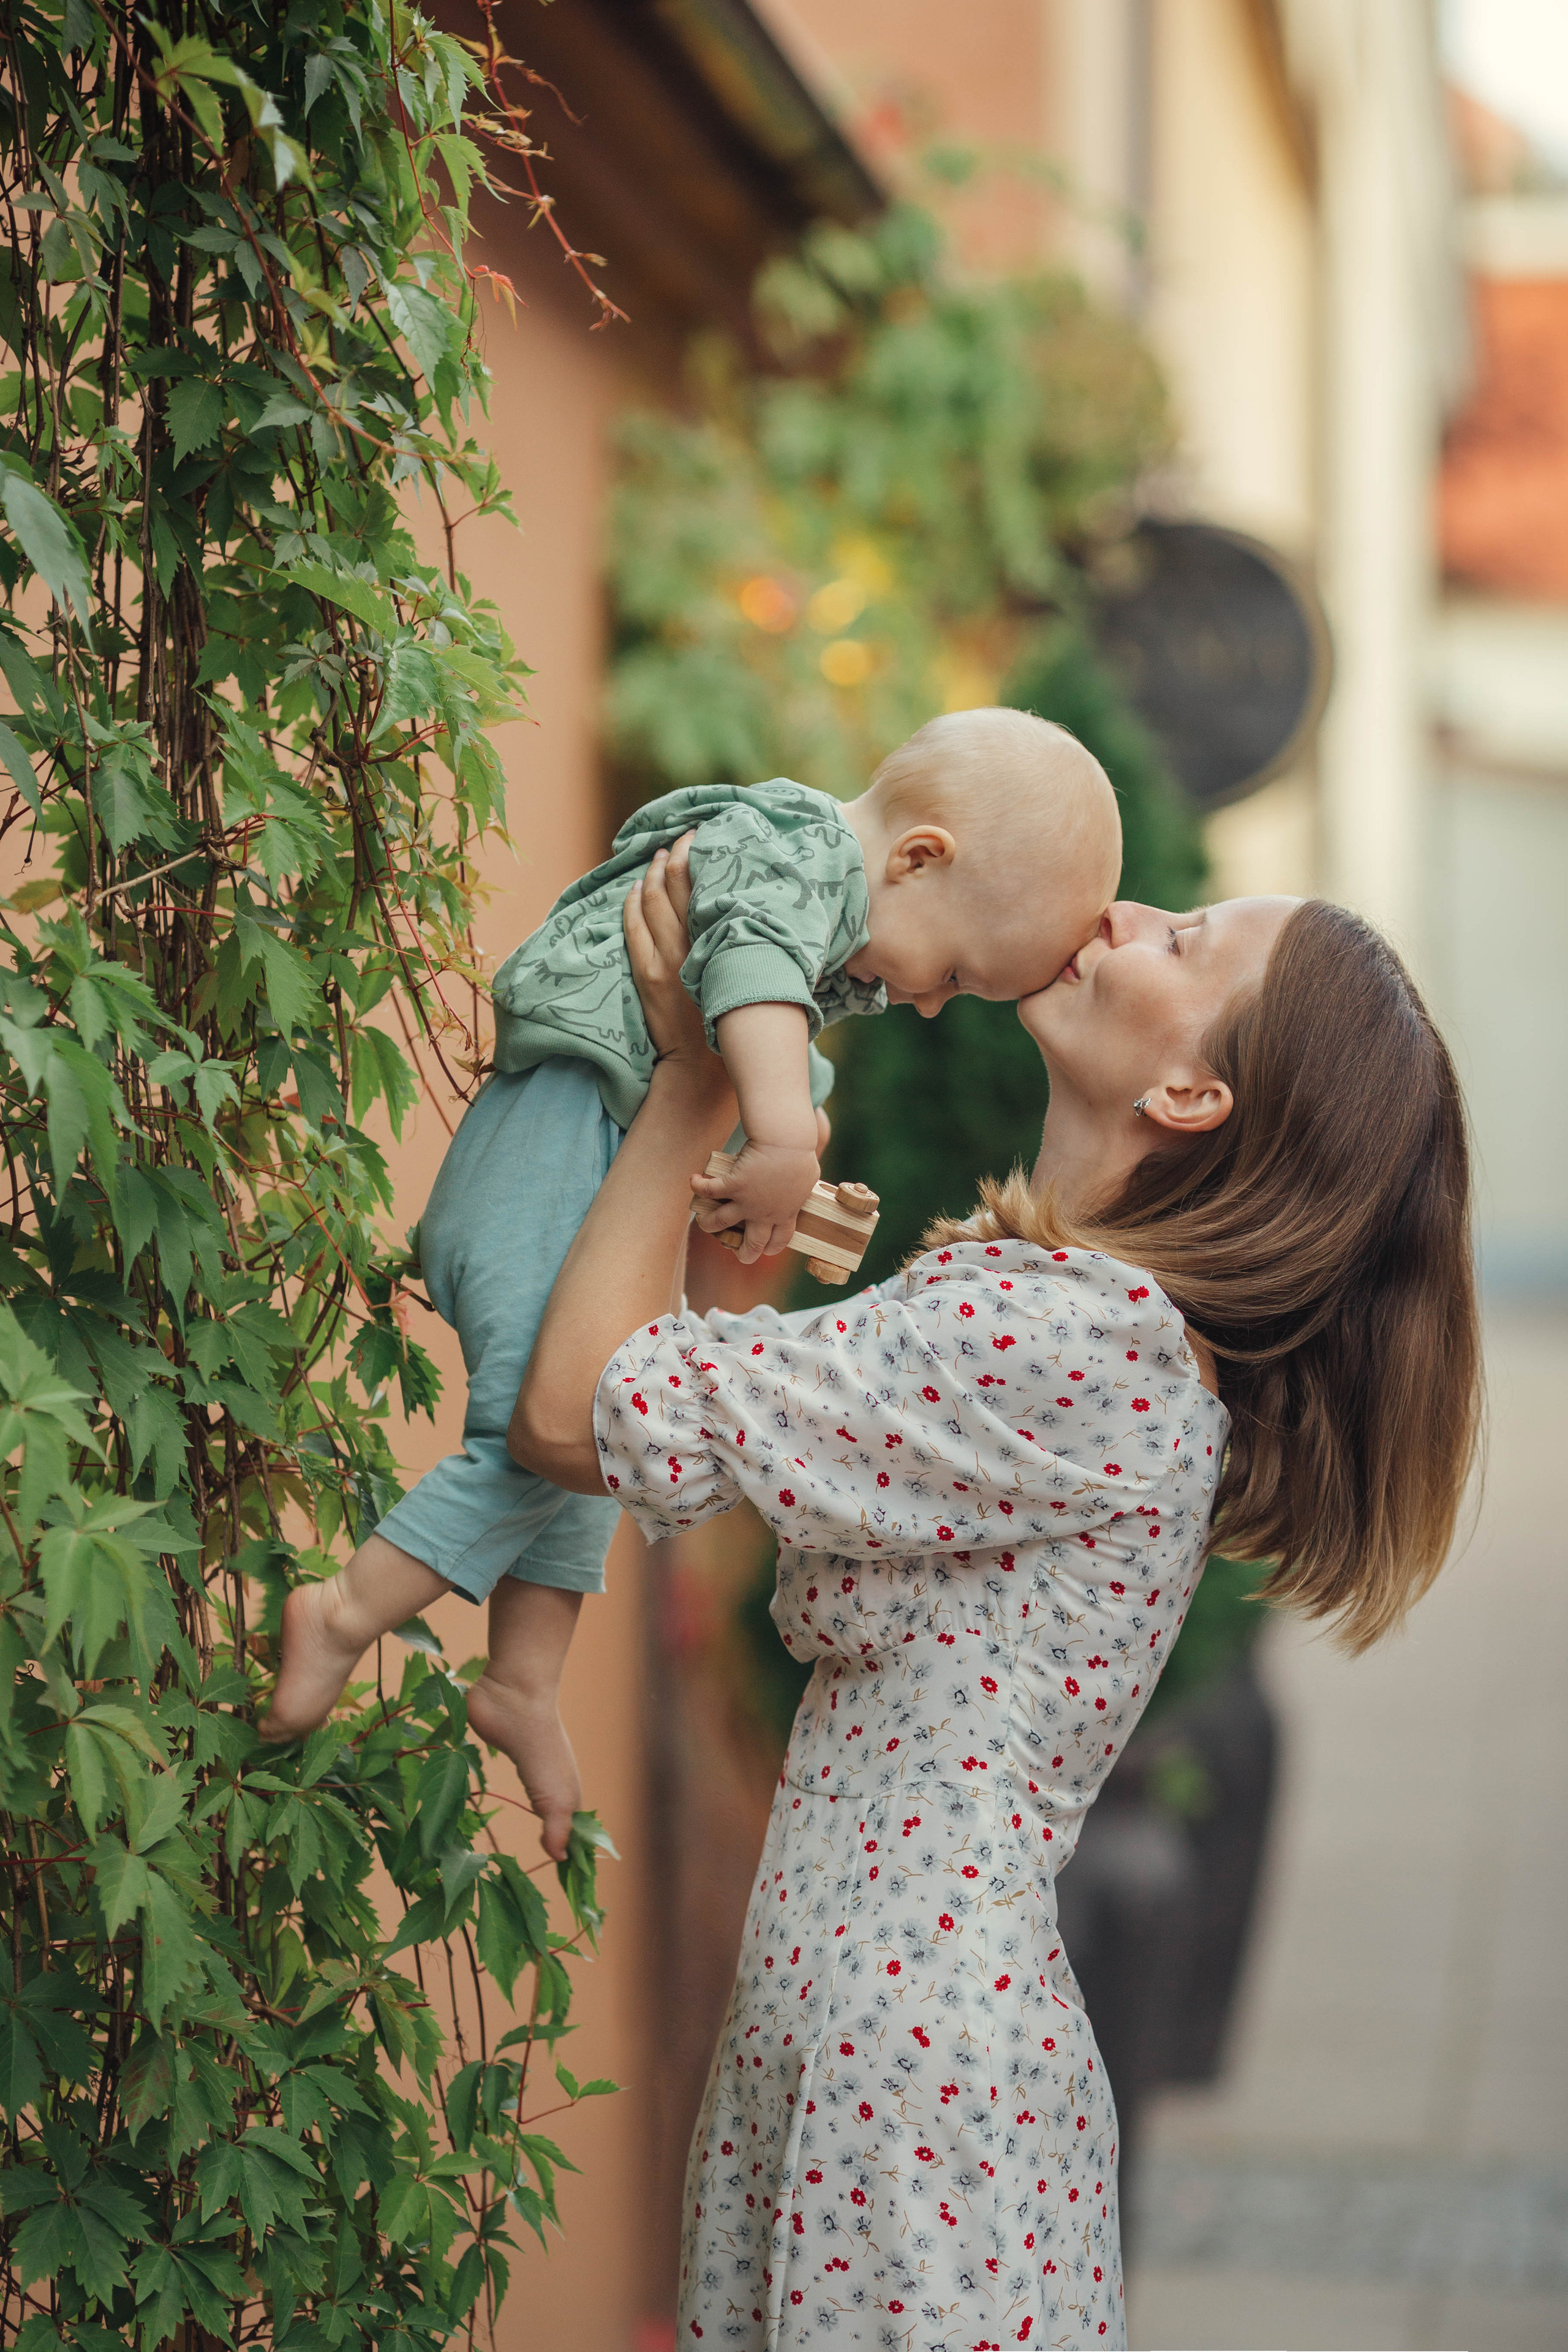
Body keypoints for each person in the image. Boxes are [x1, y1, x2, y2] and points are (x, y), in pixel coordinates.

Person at [509, 848, 1481, 2348]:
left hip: (899, 2079)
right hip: (889, 2049)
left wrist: (695, 1080)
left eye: (1183, 940)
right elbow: (711, 1416)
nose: (1125, 914)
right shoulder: (1073, 1320)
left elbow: (577, 1415)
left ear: (1190, 1096)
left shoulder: (1072, 1341)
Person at [261, 710, 1122, 1849]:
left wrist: (779, 1158)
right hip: (548, 1149)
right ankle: (341, 1612)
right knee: (547, 1432)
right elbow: (748, 978)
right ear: (919, 858)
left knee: (606, 1435)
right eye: (954, 973)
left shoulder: (824, 920)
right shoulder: (799, 855)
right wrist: (785, 1137)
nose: (926, 1003)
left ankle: (522, 1678)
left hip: (592, 1167)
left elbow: (746, 1034)